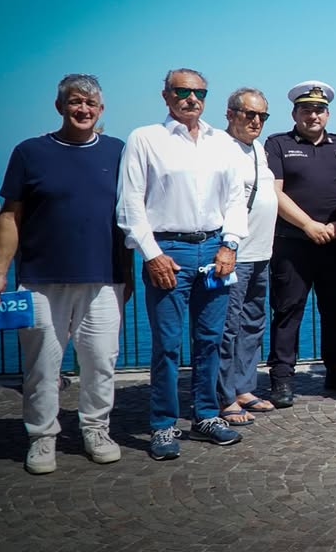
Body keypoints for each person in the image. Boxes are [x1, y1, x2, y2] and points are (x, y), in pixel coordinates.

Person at [0, 75, 129, 474]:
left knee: (101, 361)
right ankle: (41, 437)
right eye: (75, 102)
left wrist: (129, 277)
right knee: (43, 366)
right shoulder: (31, 152)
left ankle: (96, 429)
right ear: (59, 105)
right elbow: (11, 215)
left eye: (91, 104)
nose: (83, 109)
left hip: (103, 278)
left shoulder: (118, 152)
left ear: (101, 110)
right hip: (40, 280)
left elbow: (128, 218)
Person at [117, 68, 248, 460]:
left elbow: (236, 199)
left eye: (199, 92)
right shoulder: (145, 139)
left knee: (210, 341)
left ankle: (207, 415)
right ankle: (162, 425)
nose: (191, 98)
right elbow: (130, 205)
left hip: (213, 251)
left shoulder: (221, 142)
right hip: (168, 252)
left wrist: (230, 245)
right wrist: (152, 254)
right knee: (168, 345)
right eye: (183, 91)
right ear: (166, 95)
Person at [264, 81, 336, 407]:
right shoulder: (277, 145)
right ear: (295, 113)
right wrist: (308, 225)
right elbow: (273, 193)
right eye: (306, 109)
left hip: (334, 243)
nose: (313, 115)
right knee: (288, 311)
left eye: (319, 110)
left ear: (327, 114)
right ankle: (281, 379)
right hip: (292, 244)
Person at [217, 88, 279, 425]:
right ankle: (224, 395)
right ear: (231, 113)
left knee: (252, 323)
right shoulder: (218, 148)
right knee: (227, 327)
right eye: (249, 114)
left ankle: (244, 387)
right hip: (234, 253)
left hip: (261, 252)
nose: (256, 121)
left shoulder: (257, 149)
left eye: (262, 116)